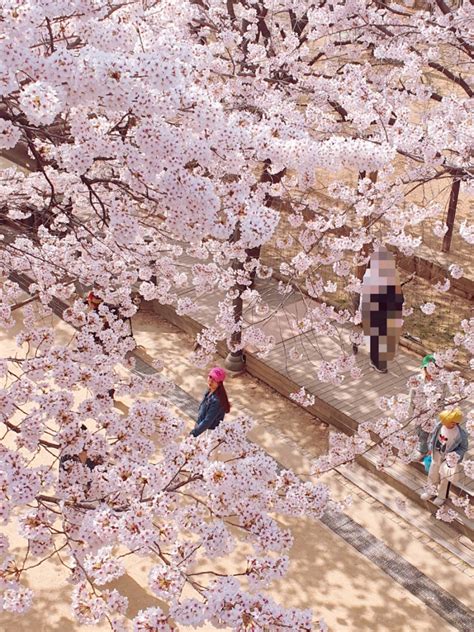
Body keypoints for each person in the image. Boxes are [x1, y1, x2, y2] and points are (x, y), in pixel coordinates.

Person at [420, 408, 469, 506]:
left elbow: (463, 448)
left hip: (448, 460)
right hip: (436, 455)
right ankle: (431, 491)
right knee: (432, 474)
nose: (446, 424)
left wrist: (455, 456)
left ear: (454, 423)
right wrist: (430, 447)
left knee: (445, 477)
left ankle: (442, 496)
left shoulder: (461, 434)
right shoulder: (439, 426)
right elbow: (433, 437)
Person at [408, 353, 446, 461]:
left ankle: (422, 451)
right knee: (419, 431)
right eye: (429, 368)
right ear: (424, 368)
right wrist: (411, 412)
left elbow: (442, 398)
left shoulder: (440, 382)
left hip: (432, 413)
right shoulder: (417, 380)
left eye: (434, 368)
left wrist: (441, 412)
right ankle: (423, 448)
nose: (432, 371)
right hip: (419, 412)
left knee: (427, 433)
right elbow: (411, 396)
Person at [190, 367, 230, 437]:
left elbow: (207, 421)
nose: (211, 381)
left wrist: (194, 433)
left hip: (208, 432)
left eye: (215, 380)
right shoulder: (209, 390)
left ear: (219, 383)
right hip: (201, 426)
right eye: (210, 377)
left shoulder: (217, 401)